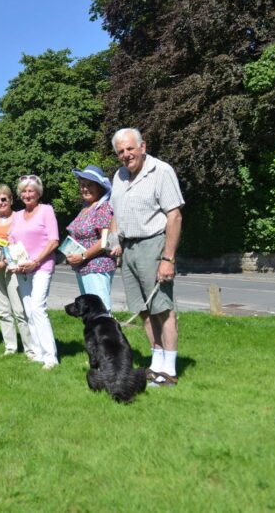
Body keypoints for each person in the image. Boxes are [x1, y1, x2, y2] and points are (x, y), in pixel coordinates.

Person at [109, 128, 184, 387]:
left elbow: (174, 216)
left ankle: (170, 371)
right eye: (120, 151)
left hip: (153, 245)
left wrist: (168, 259)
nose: (126, 155)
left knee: (162, 308)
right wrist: (114, 241)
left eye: (130, 148)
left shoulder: (161, 171)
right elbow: (115, 213)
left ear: (143, 146)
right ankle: (157, 362)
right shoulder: (118, 176)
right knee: (143, 309)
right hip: (128, 249)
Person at [8, 175, 60, 369]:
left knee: (38, 308)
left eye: (31, 190)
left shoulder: (46, 210)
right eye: (24, 191)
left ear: (38, 193)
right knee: (29, 310)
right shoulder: (18, 215)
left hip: (42, 266)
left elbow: (53, 241)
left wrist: (35, 261)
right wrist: (16, 261)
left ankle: (50, 357)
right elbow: (12, 240)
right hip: (23, 268)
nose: (27, 194)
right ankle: (38, 352)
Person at [0, 184, 37, 357]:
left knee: (19, 310)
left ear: (11, 199)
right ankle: (10, 347)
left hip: (13, 268)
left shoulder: (20, 218)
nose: (0, 202)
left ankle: (30, 348)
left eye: (4, 199)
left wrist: (5, 261)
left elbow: (22, 243)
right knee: (3, 310)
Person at [65, 165, 116, 312]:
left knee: (101, 311)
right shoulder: (86, 208)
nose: (85, 189)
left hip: (97, 267)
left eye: (90, 185)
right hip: (83, 267)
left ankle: (109, 335)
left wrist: (82, 256)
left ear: (99, 187)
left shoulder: (103, 207)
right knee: (91, 313)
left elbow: (105, 240)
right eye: (82, 185)